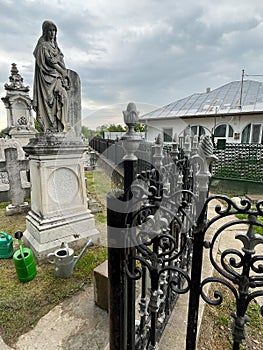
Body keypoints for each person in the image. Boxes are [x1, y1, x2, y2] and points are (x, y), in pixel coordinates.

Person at [33, 20, 70, 132]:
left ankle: (63, 124)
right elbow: (49, 61)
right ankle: (51, 125)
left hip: (56, 76)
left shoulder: (55, 46)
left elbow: (60, 59)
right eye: (50, 30)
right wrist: (63, 72)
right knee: (48, 101)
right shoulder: (43, 46)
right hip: (47, 77)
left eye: (54, 30)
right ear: (45, 31)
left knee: (63, 96)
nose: (52, 33)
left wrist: (64, 72)